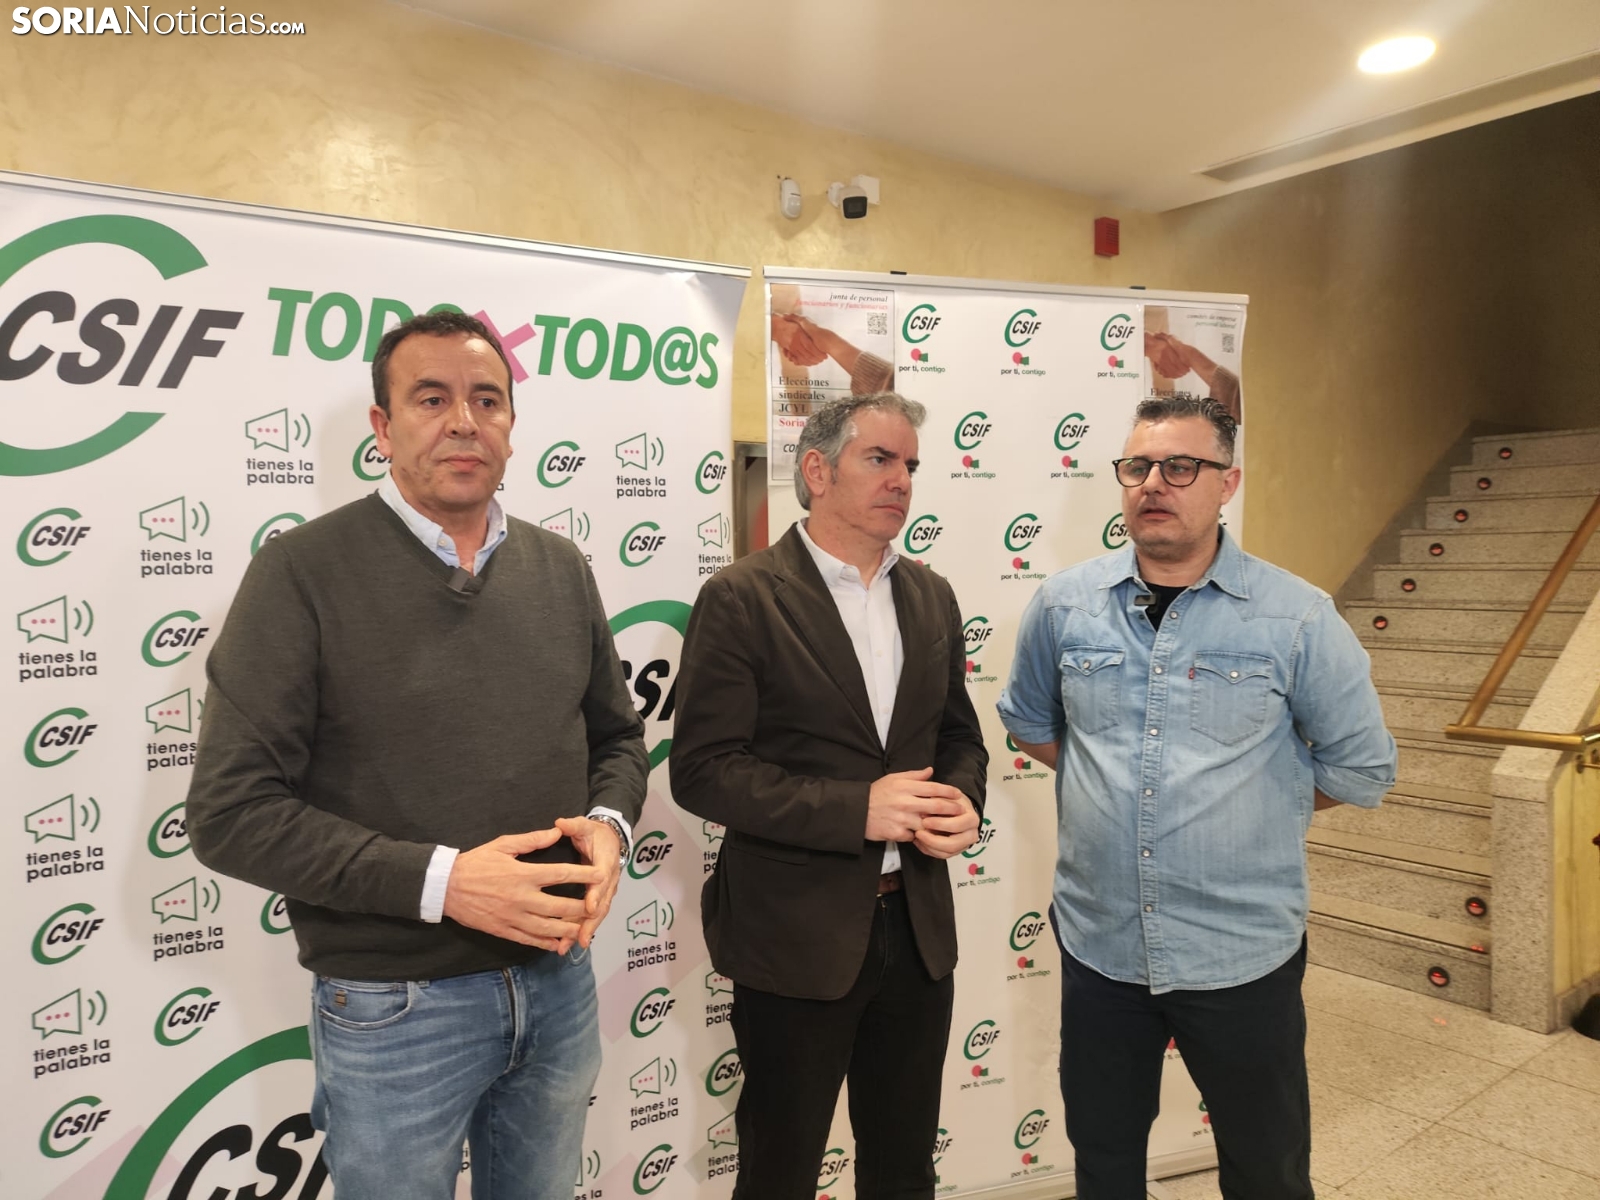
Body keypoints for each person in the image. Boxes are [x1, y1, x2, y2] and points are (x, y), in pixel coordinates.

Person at [186, 311, 649, 1200]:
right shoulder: (300, 573)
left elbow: (618, 738)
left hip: (559, 982)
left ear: (511, 423)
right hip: (395, 1008)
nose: (463, 422)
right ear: (383, 425)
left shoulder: (561, 567)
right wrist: (446, 883)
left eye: (487, 400)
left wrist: (609, 824)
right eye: (431, 399)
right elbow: (229, 814)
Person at [997, 396, 1396, 1200]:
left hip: (1239, 953)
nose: (1154, 483)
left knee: (1266, 1167)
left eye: (1180, 467)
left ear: (1227, 483)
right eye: (1138, 466)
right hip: (1102, 947)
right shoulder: (1065, 606)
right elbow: (1032, 724)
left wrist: (1258, 802)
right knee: (1104, 1158)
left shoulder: (1296, 618)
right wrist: (1120, 786)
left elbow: (1359, 768)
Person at [671, 392, 988, 1200]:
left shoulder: (932, 596)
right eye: (879, 459)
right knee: (779, 1172)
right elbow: (703, 770)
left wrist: (962, 799)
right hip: (793, 940)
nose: (901, 480)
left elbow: (959, 739)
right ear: (816, 471)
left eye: (910, 464)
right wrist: (858, 810)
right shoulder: (743, 597)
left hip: (917, 934)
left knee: (904, 1169)